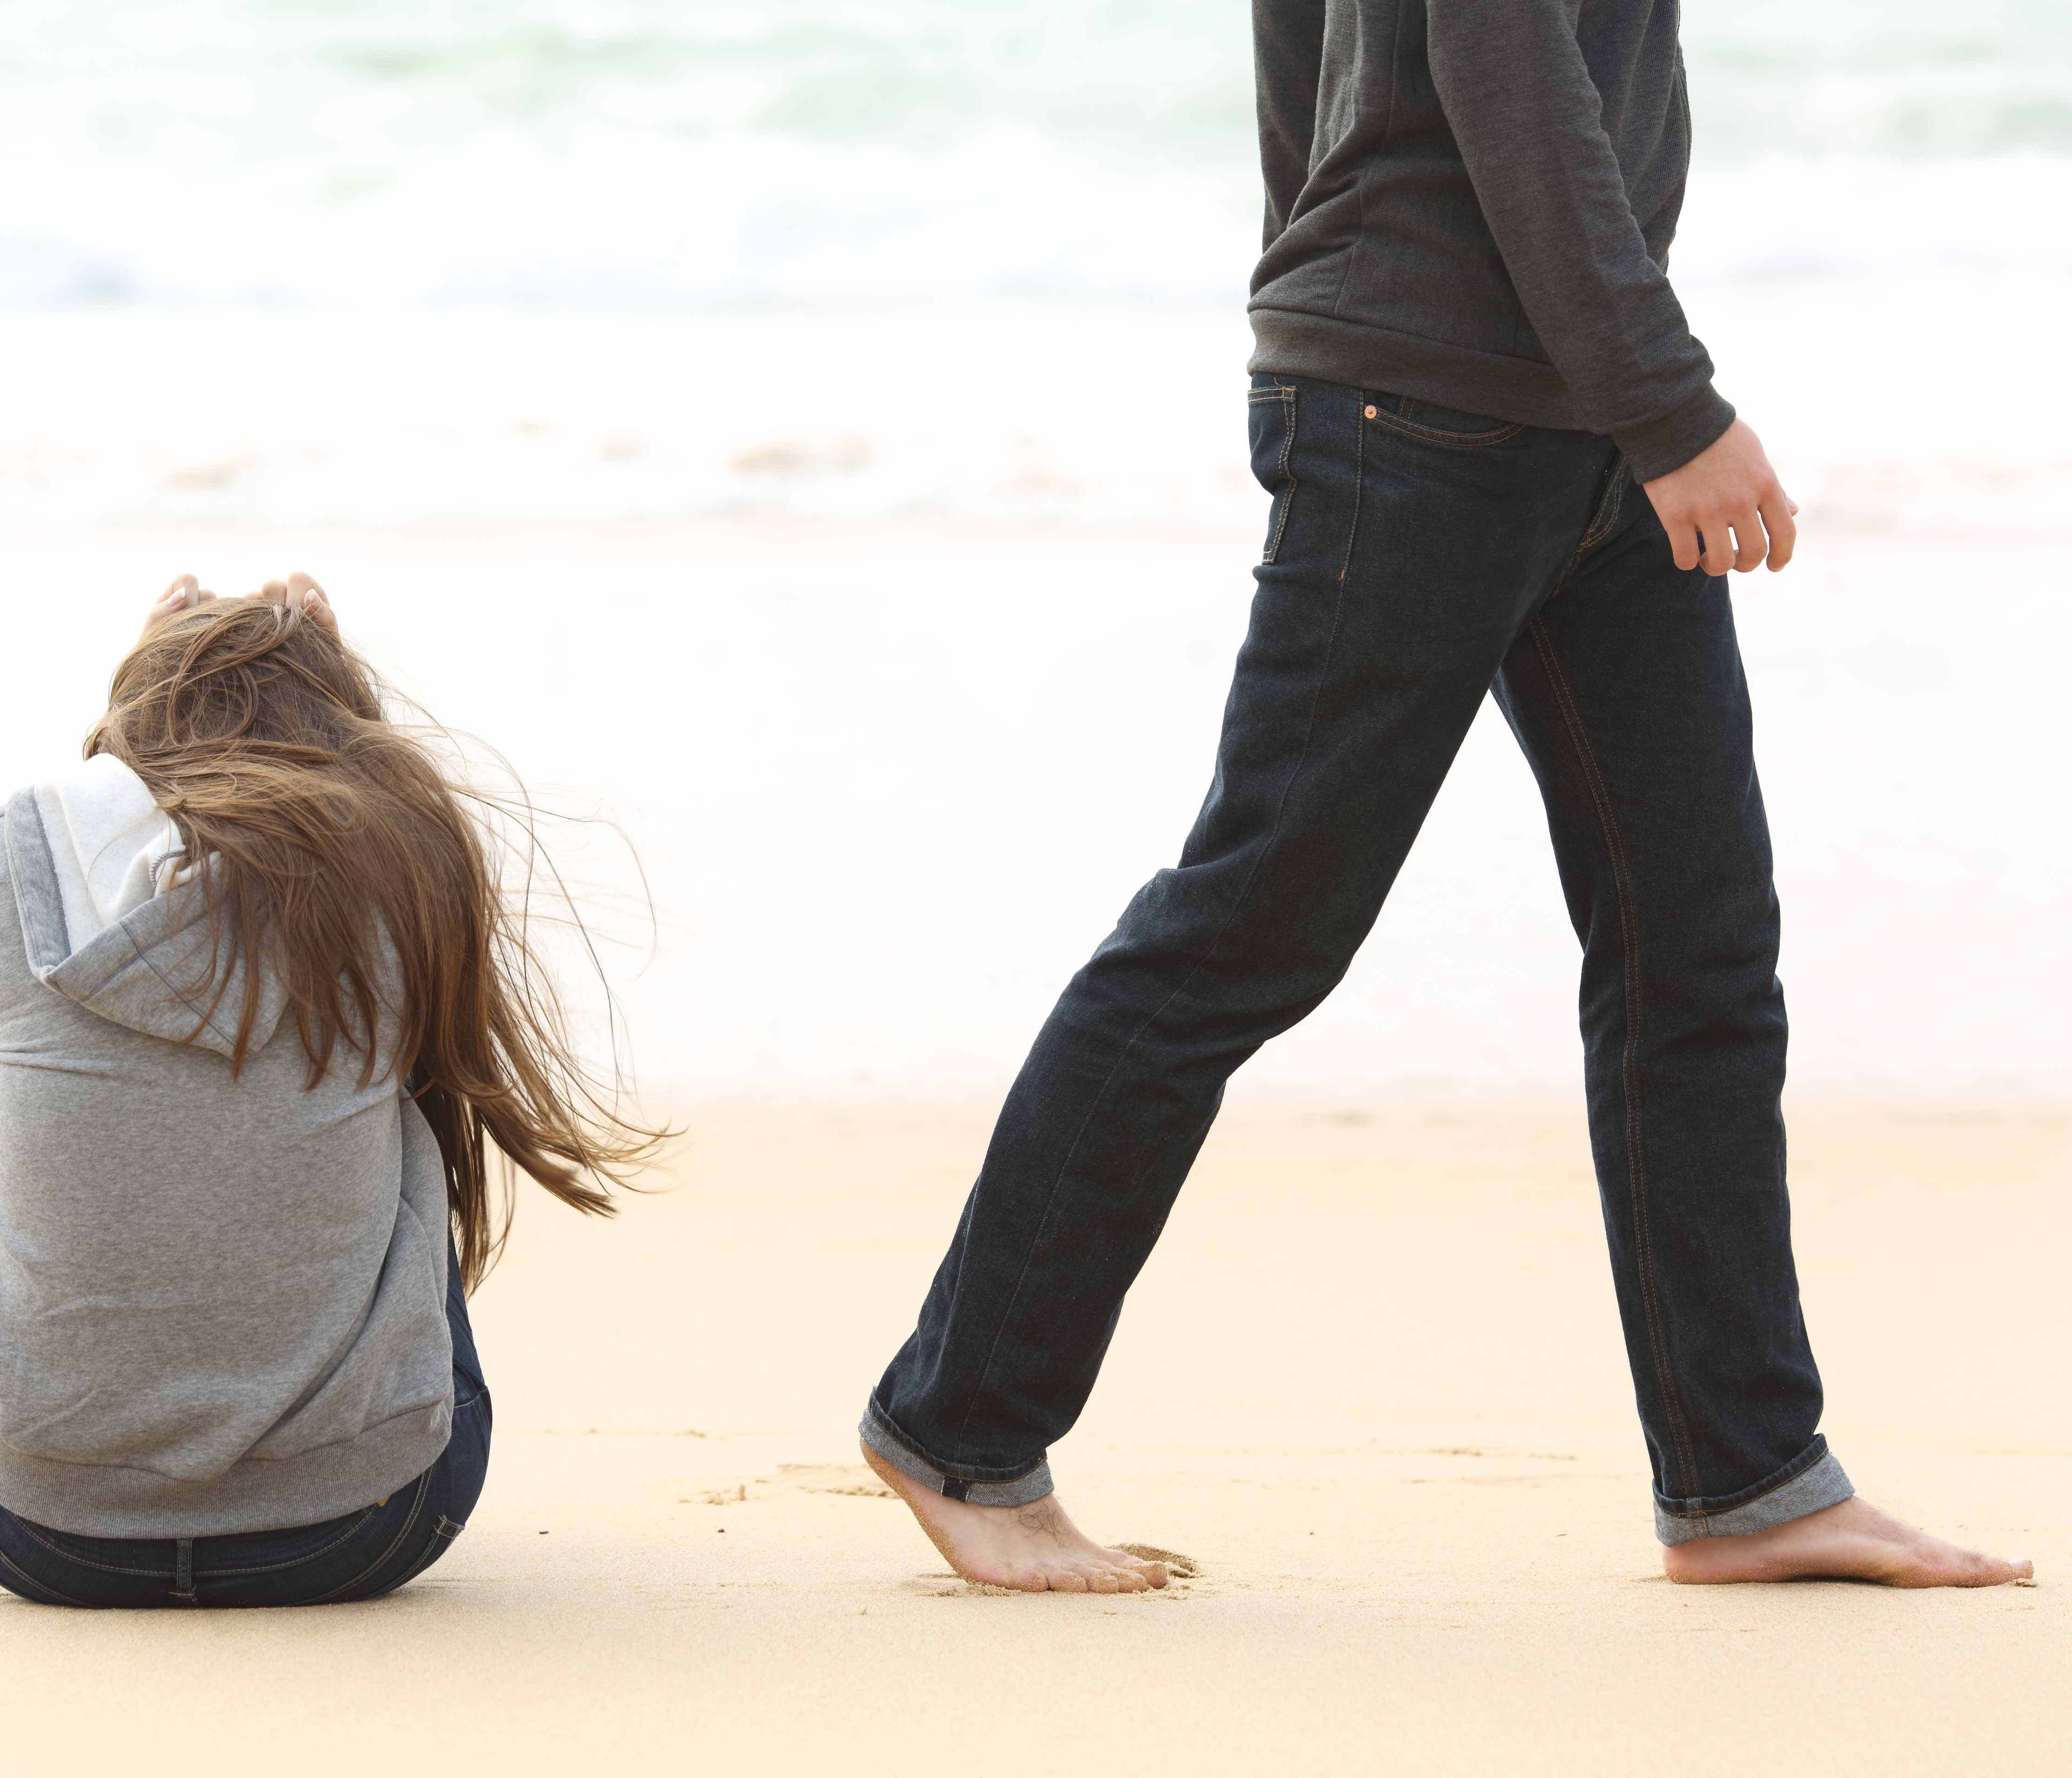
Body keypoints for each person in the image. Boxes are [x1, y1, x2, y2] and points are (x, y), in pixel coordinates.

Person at [855, 0, 2034, 1594]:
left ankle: (1748, 1473)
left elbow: (1313, 74)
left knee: (1694, 943)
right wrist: (1651, 401)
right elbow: (1503, 71)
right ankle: (962, 1426)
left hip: (1568, 415)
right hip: (1445, 418)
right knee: (1252, 923)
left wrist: (1363, 307)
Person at [0, 573, 659, 1607]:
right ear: (342, 732)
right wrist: (335, 689)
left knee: (49, 1112)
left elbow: (71, 840)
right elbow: (381, 809)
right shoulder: (405, 875)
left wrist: (137, 692)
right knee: (397, 1110)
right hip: (360, 1529)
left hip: (35, 1532)